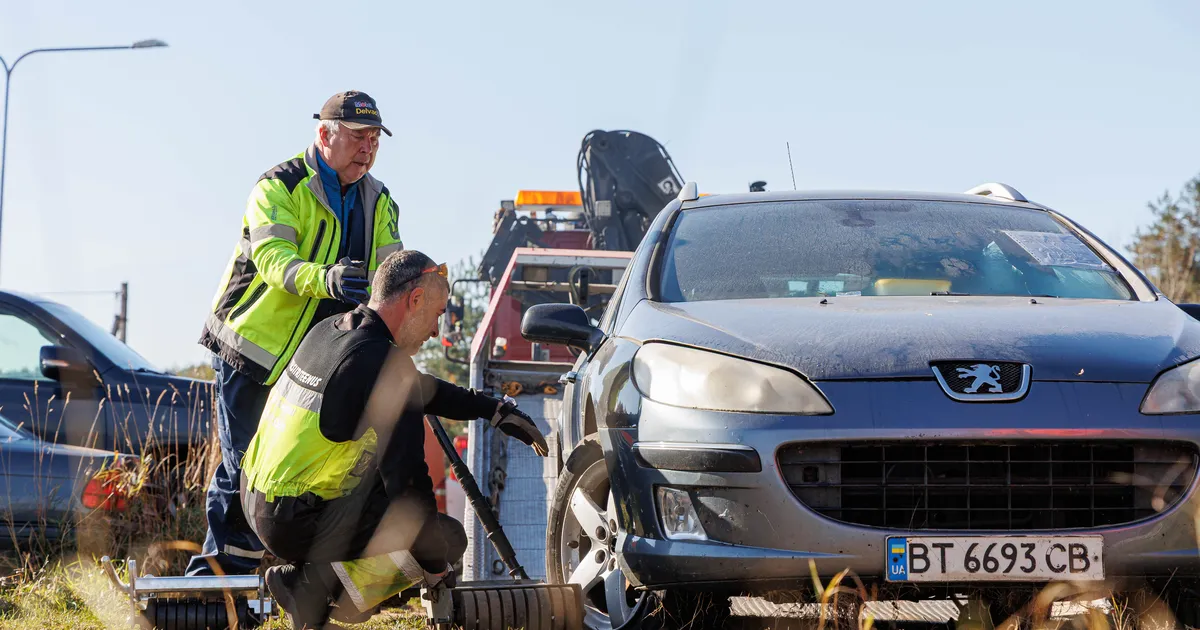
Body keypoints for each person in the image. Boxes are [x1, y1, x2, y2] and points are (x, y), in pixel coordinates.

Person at [240, 249, 549, 629]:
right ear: (414, 299)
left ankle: (308, 578)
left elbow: (418, 388)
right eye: (437, 315)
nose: (437, 331)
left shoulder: (334, 330)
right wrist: (435, 568)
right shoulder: (386, 366)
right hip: (293, 518)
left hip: (255, 498)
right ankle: (310, 590)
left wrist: (491, 408)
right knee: (445, 538)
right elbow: (408, 490)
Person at [190, 91, 406, 576]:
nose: (367, 148)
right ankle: (221, 581)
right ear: (324, 134)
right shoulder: (279, 186)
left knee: (291, 470)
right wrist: (326, 278)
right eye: (357, 137)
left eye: (374, 139)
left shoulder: (380, 198)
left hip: (314, 361)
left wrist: (416, 296)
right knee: (248, 468)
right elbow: (273, 263)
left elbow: (391, 269)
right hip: (252, 350)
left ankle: (244, 580)